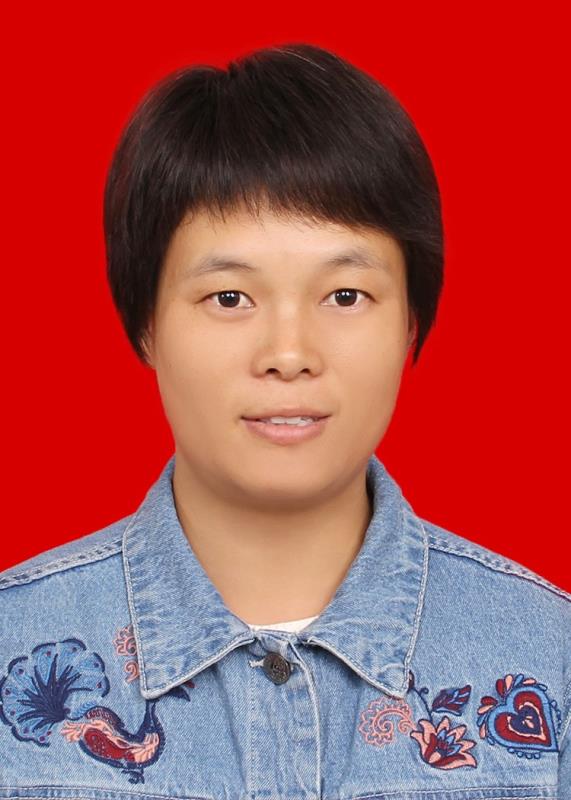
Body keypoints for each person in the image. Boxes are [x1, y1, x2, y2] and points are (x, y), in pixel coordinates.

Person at [0, 42, 569, 798]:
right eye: (229, 298)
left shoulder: (549, 658)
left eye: (345, 296)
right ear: (146, 325)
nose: (289, 354)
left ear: (409, 322)